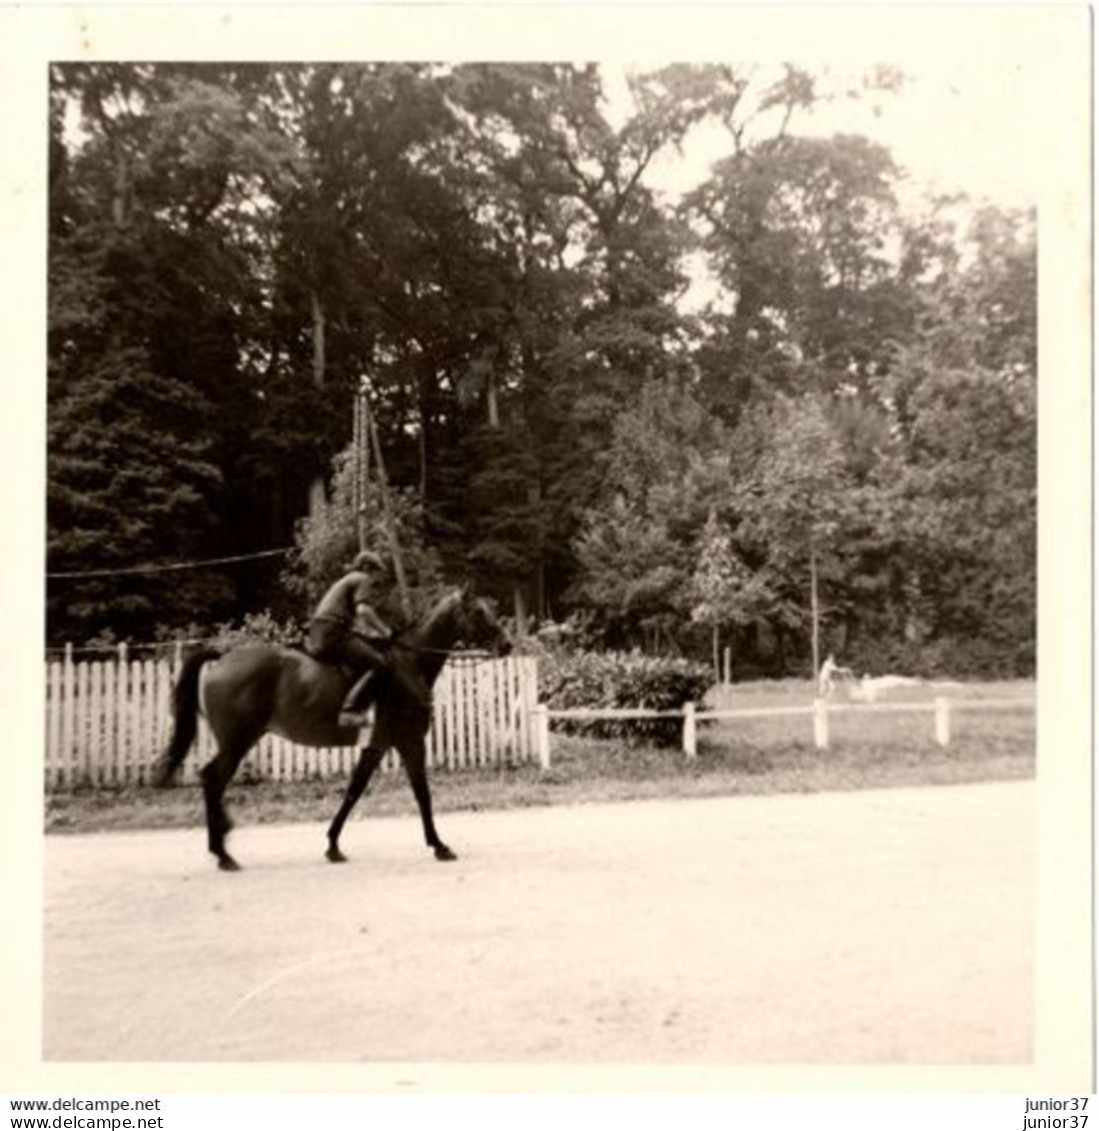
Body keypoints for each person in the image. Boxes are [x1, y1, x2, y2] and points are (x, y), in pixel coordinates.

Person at [307, 550, 431, 726]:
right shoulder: (361, 578)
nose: (375, 580)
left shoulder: (347, 580)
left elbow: (353, 618)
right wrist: (385, 630)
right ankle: (350, 710)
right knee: (379, 663)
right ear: (367, 568)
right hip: (333, 632)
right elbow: (363, 610)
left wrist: (371, 634)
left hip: (320, 629)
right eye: (376, 573)